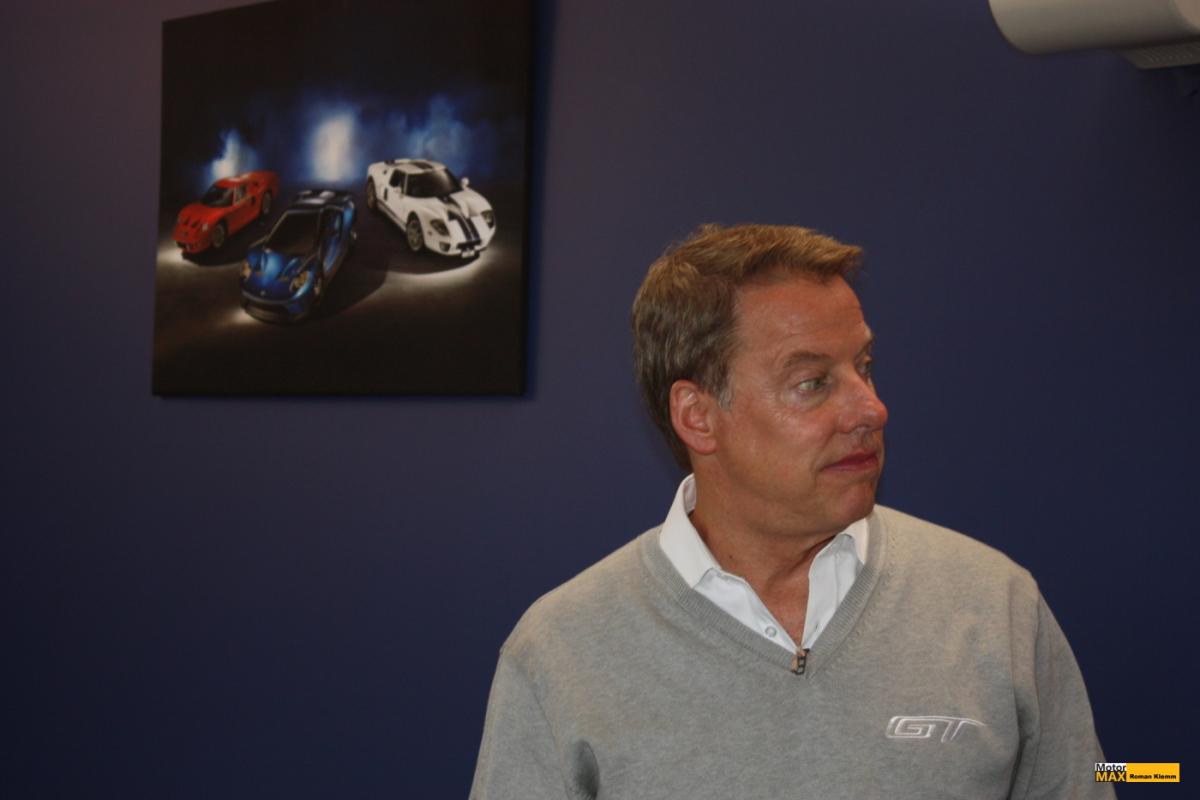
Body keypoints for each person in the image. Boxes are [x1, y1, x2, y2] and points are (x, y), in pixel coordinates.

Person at [471, 224, 1112, 799]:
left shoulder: (995, 603)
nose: (871, 409)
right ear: (698, 416)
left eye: (864, 367)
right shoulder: (561, 650)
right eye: (813, 382)